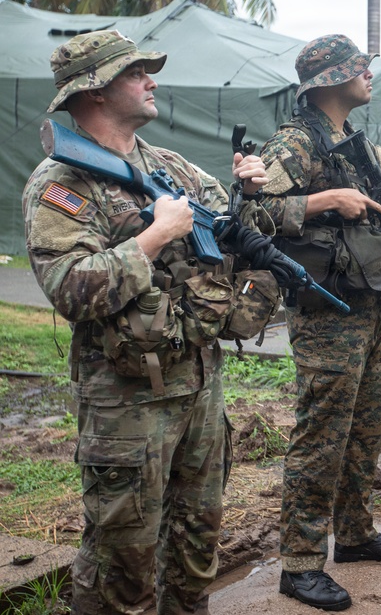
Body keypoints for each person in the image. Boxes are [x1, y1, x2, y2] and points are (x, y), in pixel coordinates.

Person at [22, 30, 271, 615]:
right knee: (121, 561)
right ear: (96, 91)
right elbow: (71, 288)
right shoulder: (61, 181)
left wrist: (245, 192)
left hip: (198, 384)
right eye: (136, 73)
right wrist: (154, 237)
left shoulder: (166, 165)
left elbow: (223, 226)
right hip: (126, 401)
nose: (151, 80)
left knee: (196, 542)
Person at [256, 35, 381, 611]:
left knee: (366, 426)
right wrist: (325, 201)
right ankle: (300, 564)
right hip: (325, 311)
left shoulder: (357, 143)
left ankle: (353, 533)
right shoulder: (295, 142)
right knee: (322, 434)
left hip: (368, 302)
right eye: (358, 69)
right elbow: (248, 213)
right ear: (329, 82)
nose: (369, 76)